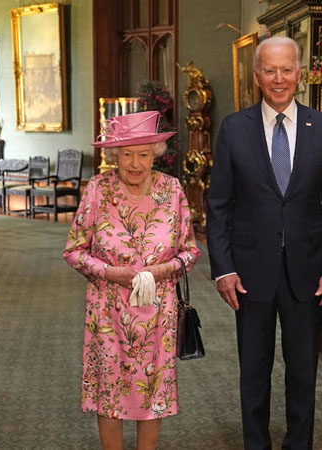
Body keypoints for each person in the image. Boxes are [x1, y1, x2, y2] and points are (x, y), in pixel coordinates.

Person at [206, 36, 322, 450]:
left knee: (303, 370)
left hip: (308, 270)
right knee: (254, 370)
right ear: (257, 76)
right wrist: (224, 268)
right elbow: (217, 205)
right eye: (270, 70)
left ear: (300, 74)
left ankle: (298, 444)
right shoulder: (234, 128)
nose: (279, 78)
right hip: (250, 273)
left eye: (287, 69)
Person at [63, 111, 200, 450]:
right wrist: (110, 273)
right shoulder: (97, 189)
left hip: (159, 313)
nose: (135, 163)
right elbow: (73, 251)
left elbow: (190, 252)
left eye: (143, 154)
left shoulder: (173, 190)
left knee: (152, 390)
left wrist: (162, 270)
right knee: (109, 389)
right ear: (114, 156)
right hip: (107, 312)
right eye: (127, 154)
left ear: (155, 153)